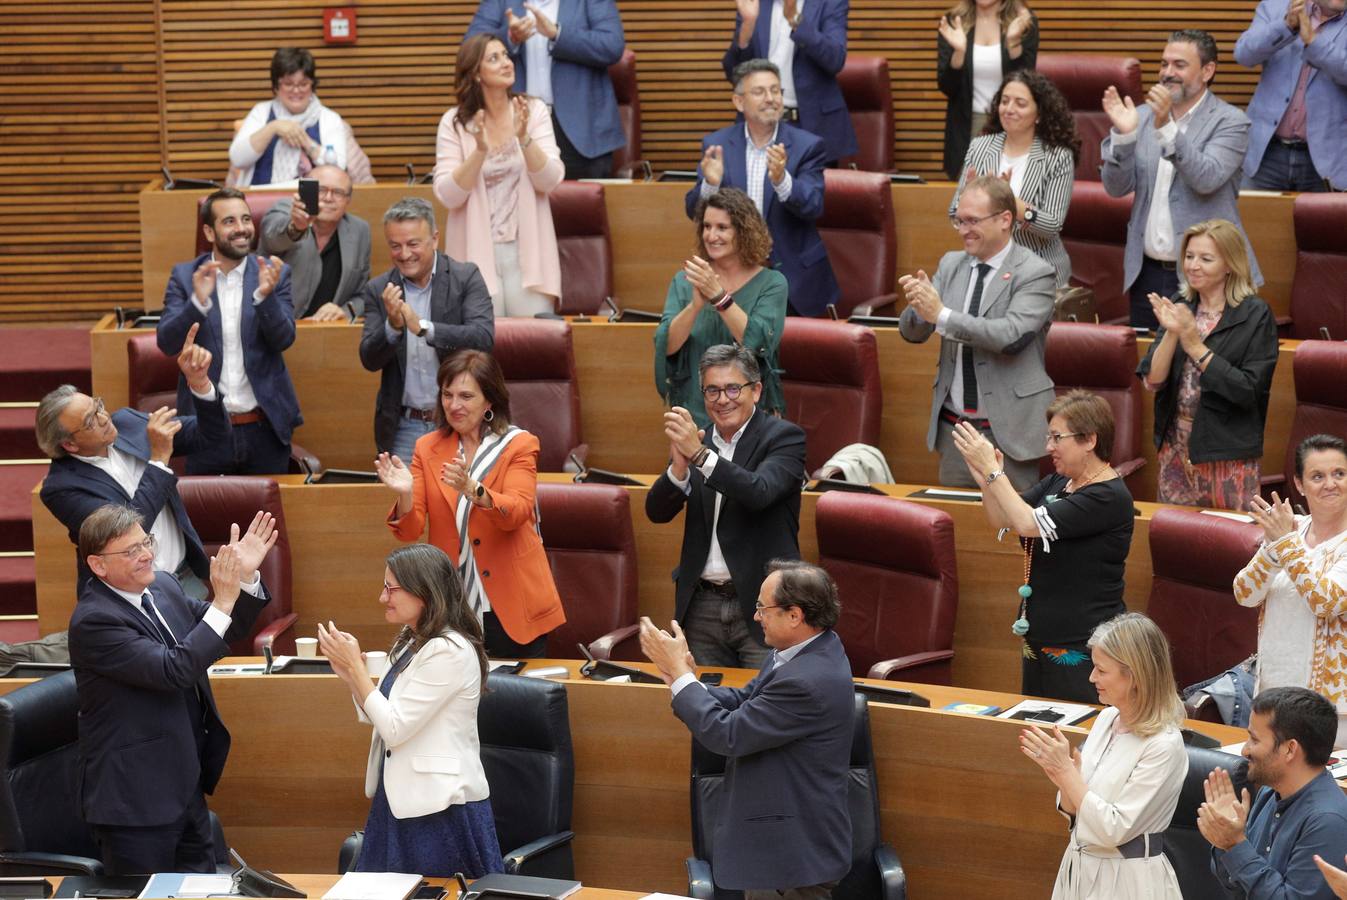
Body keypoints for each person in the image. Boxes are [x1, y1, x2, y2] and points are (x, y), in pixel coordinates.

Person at [70, 503, 276, 875]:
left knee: (202, 889)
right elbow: (173, 670)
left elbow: (220, 630)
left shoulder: (162, 586)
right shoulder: (95, 621)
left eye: (145, 542)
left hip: (183, 782)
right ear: (98, 565)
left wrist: (244, 579)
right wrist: (224, 598)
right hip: (134, 802)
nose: (146, 554)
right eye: (131, 551)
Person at [639, 559, 854, 900]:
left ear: (794, 615)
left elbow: (728, 734)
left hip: (791, 859)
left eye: (761, 608)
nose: (755, 616)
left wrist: (682, 678)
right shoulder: (799, 652)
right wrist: (686, 680)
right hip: (780, 850)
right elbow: (746, 700)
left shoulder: (807, 679)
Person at [317, 544, 503, 878]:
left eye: (391, 588)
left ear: (425, 591)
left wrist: (359, 673)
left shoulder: (450, 650)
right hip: (399, 801)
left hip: (440, 810)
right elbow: (380, 712)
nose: (382, 597)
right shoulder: (411, 640)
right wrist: (351, 676)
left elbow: (395, 727)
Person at [374, 350, 565, 658]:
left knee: (517, 701)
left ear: (489, 401)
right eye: (447, 395)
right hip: (453, 605)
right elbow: (411, 531)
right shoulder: (428, 447)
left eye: (465, 396)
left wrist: (471, 488)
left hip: (512, 601)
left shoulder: (519, 444)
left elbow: (515, 513)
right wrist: (405, 493)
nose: (453, 405)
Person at [952, 390, 1133, 702]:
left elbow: (1027, 523)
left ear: (1089, 440)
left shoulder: (1108, 496)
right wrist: (986, 480)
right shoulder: (1058, 483)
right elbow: (1003, 518)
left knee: (1073, 738)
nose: (1048, 447)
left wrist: (996, 473)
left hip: (1084, 648)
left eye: (1056, 437)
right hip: (1039, 640)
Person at [645, 344, 807, 668]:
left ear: (756, 390)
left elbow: (758, 492)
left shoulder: (785, 438)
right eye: (713, 390)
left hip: (766, 606)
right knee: (706, 707)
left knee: (766, 708)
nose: (723, 399)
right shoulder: (698, 440)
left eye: (733, 388)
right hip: (702, 605)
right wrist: (679, 469)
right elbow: (656, 512)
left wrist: (701, 457)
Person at [38, 324, 223, 598]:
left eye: (98, 406)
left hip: (184, 583)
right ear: (69, 444)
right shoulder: (62, 489)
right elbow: (125, 532)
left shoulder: (127, 424)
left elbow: (212, 435)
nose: (104, 418)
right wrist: (159, 460)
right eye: (91, 421)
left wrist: (200, 386)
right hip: (130, 601)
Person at [898, 174, 1056, 491]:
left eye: (972, 221)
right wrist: (919, 307)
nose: (963, 230)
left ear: (1004, 220)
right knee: (958, 528)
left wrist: (940, 313)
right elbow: (913, 332)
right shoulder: (952, 263)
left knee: (1011, 531)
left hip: (1010, 434)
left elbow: (1009, 336)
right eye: (959, 221)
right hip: (957, 428)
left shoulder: (1035, 272)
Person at [1101, 29, 1260, 330]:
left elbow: (1206, 178)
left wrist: (1166, 129)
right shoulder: (1142, 116)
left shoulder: (1230, 122)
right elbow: (1115, 187)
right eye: (1163, 64)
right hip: (1145, 274)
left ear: (1207, 70)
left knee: (1200, 369)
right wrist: (1124, 136)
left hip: (1207, 276)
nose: (1167, 73)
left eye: (1179, 65)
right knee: (1149, 369)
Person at [1021, 612, 1187, 898]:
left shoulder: (1164, 745)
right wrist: (1062, 776)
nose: (1091, 677)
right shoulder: (1107, 718)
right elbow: (1077, 810)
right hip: (1079, 867)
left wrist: (1066, 774)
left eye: (1101, 670)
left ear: (1134, 675)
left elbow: (1113, 829)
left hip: (1129, 881)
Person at [157, 188, 301, 476]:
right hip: (206, 429)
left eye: (246, 219)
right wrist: (197, 303)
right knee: (206, 519)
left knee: (269, 518)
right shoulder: (186, 277)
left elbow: (284, 339)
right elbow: (167, 342)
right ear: (209, 232)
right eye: (230, 221)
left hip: (264, 428)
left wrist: (265, 296)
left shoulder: (274, 272)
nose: (242, 229)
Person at [1136, 219, 1278, 510]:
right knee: (1175, 541)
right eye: (1189, 256)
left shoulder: (1255, 315)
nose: (1193, 266)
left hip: (1226, 455)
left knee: (1229, 544)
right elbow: (1153, 380)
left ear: (1229, 264)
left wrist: (1194, 343)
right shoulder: (1181, 304)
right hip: (1176, 448)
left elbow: (1247, 391)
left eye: (1205, 258)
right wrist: (1174, 332)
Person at [685, 59, 838, 317]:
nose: (770, 98)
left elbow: (814, 205)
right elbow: (694, 211)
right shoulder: (717, 144)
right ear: (739, 102)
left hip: (793, 279)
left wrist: (782, 180)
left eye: (776, 90)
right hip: (733, 276)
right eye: (759, 92)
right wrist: (711, 184)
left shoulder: (808, 146)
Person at [433, 34, 565, 318]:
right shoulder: (454, 123)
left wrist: (524, 138)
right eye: (494, 58)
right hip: (475, 254)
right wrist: (479, 150)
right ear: (476, 74)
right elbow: (448, 195)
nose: (506, 63)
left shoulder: (532, 110)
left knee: (533, 347)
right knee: (479, 354)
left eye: (506, 55)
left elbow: (551, 179)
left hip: (528, 253)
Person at [358, 198, 495, 460]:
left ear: (434, 238)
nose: (404, 254)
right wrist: (393, 327)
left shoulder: (465, 277)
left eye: (413, 244)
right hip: (405, 426)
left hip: (461, 419)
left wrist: (423, 328)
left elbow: (483, 338)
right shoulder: (379, 289)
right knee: (406, 501)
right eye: (395, 246)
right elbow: (369, 359)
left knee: (463, 500)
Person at [1235, 434, 1347, 747]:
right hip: (1272, 698)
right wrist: (1274, 548)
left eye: (1339, 473)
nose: (1330, 484)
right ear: (1299, 484)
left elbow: (1325, 600)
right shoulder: (1289, 528)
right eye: (1317, 476)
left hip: (1333, 714)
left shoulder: (1288, 536)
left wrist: (1285, 543)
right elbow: (1245, 593)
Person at [654, 188, 787, 430]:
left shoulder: (772, 283)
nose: (711, 235)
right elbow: (667, 346)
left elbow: (757, 343)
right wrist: (695, 307)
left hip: (750, 420)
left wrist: (718, 296)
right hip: (695, 416)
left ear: (743, 232)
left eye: (722, 228)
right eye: (706, 226)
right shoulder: (684, 281)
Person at [1199, 686, 1347, 899]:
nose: (1244, 750)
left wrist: (1235, 845)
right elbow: (1238, 889)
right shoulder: (1269, 793)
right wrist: (1224, 841)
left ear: (1289, 749)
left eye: (1255, 740)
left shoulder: (1327, 821)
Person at [465, 0, 627, 179]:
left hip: (581, 129)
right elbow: (470, 47)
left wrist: (557, 33)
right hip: (518, 122)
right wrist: (510, 37)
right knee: (518, 201)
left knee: (579, 203)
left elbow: (612, 45)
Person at [949, 69, 1079, 289]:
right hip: (985, 270)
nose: (1009, 109)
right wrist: (969, 201)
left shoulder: (1057, 156)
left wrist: (1011, 203)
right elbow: (954, 213)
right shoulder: (980, 147)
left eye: (1020, 103)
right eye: (1005, 101)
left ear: (1039, 114)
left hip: (1039, 273)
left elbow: (1052, 225)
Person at [721, 0, 858, 164]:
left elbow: (834, 60)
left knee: (810, 189)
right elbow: (734, 74)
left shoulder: (829, 3)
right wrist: (747, 26)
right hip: (761, 122)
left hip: (812, 124)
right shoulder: (756, 3)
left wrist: (795, 19)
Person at [1235, 0, 1347, 192]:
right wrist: (1286, 26)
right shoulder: (1274, 7)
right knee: (1255, 220)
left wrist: (1313, 42)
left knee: (1321, 223)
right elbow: (1244, 55)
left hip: (1329, 160)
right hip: (1266, 153)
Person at [228, 47, 374, 187]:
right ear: (276, 86)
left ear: (312, 85)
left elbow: (338, 168)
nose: (296, 90)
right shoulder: (262, 112)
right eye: (288, 84)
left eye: (303, 84)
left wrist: (304, 140)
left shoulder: (329, 118)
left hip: (315, 203)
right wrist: (273, 127)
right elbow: (238, 159)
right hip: (262, 199)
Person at [936, 0, 1038, 181]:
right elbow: (947, 87)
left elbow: (1028, 85)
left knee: (1006, 195)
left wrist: (1013, 42)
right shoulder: (954, 22)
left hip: (1011, 123)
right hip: (967, 127)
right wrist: (959, 53)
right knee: (967, 200)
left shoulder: (1023, 21)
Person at [259, 164, 372, 321]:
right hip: (277, 327)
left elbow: (363, 294)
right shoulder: (285, 210)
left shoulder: (359, 230)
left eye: (338, 192)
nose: (328, 198)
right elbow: (271, 239)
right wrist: (296, 227)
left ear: (348, 200)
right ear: (304, 192)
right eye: (321, 190)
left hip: (328, 331)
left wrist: (344, 311)